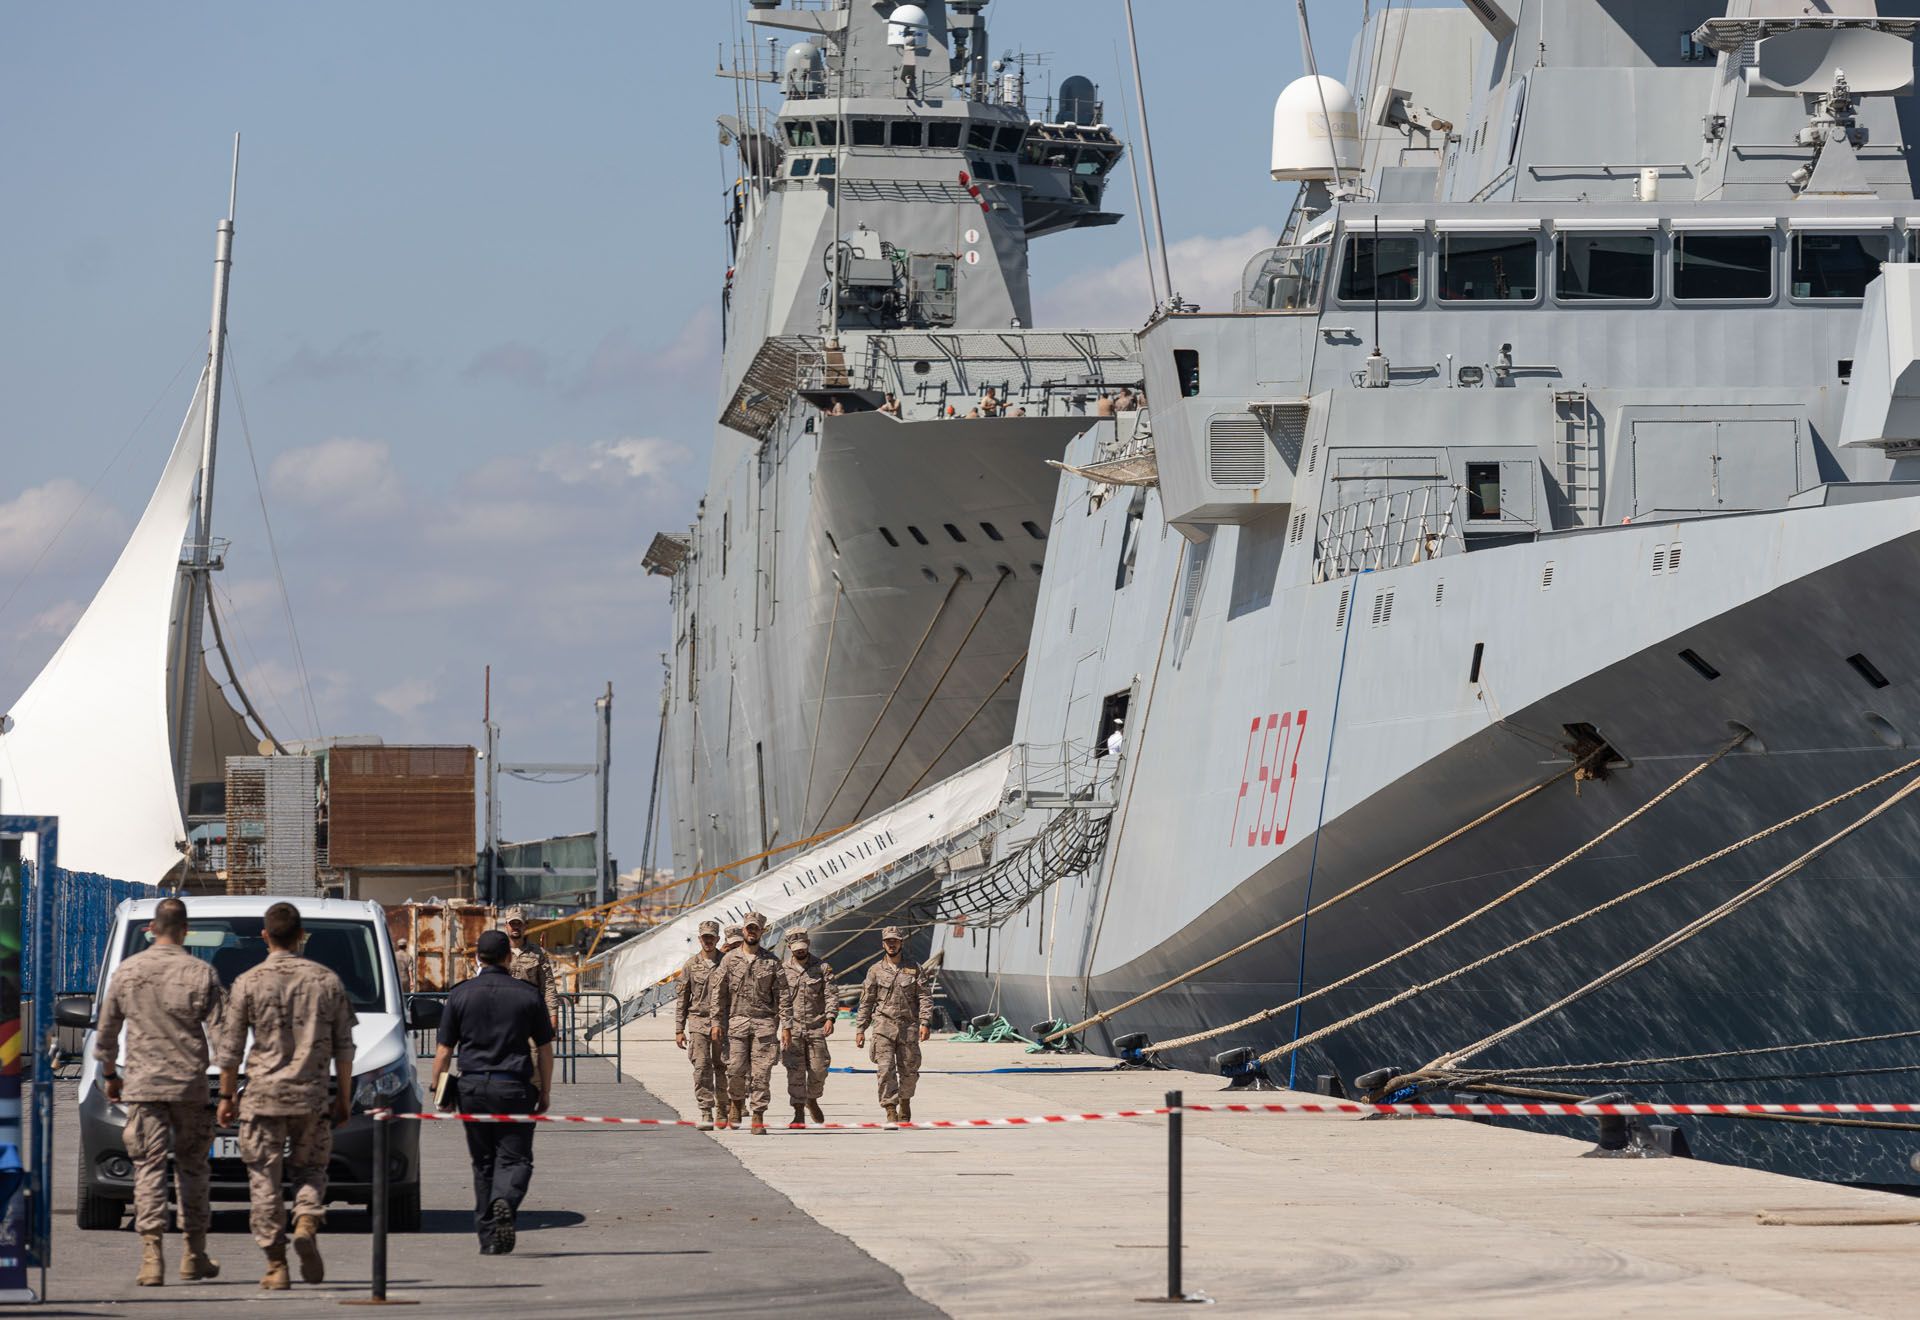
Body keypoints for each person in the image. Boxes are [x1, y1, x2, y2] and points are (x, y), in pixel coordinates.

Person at [216, 903, 356, 1291]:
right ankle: (307, 1220)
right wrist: (343, 1098)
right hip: (310, 1095)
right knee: (311, 1169)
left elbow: (229, 1050)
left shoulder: (247, 982)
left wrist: (227, 1096)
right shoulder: (327, 981)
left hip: (262, 1097)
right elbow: (345, 1048)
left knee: (264, 1179)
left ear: (265, 936)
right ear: (301, 936)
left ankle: (276, 1264)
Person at [94, 897, 226, 1287]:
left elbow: (106, 1033)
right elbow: (224, 1036)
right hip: (190, 1086)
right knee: (193, 1168)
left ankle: (152, 1258)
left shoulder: (128, 972)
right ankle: (193, 1252)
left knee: (148, 1168)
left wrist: (110, 1075)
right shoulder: (201, 973)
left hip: (144, 1086)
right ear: (186, 931)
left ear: (152, 929)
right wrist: (231, 1086)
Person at [431, 929, 554, 1255]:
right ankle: (506, 1200)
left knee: (483, 1163)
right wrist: (545, 1091)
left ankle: (488, 1237)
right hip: (514, 1087)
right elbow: (544, 1049)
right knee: (516, 1159)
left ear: (476, 958)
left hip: (471, 1088)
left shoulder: (460, 995)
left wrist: (438, 1090)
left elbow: (443, 1051)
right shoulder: (528, 995)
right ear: (508, 957)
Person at [714, 911, 790, 1134]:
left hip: (764, 1025)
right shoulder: (729, 959)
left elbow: (783, 995)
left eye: (755, 928)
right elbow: (718, 993)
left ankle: (758, 1115)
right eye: (749, 928)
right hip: (737, 1024)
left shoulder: (772, 962)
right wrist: (716, 1022)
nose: (751, 931)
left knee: (761, 1074)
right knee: (735, 1069)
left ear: (761, 931)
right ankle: (736, 1103)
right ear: (744, 930)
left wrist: (786, 1026)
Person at [854, 926, 933, 1128]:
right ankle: (890, 1108)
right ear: (883, 944)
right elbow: (867, 1001)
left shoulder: (914, 968)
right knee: (885, 1069)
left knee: (909, 1070)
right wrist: (860, 1028)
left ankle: (904, 1103)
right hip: (883, 1026)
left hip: (908, 1027)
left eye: (895, 941)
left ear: (901, 943)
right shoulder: (875, 970)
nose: (892, 944)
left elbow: (924, 996)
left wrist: (925, 1022)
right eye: (888, 941)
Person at [674, 919, 727, 1130]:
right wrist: (679, 1029)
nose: (708, 941)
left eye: (711, 938)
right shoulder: (690, 965)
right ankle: (706, 1111)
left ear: (717, 939)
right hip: (698, 1022)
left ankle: (723, 1107)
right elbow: (682, 999)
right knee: (702, 1067)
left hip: (723, 1023)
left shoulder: (727, 962)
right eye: (704, 938)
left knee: (724, 1066)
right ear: (699, 939)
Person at [779, 929, 835, 1129]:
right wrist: (782, 1026)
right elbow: (779, 1000)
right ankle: (798, 1111)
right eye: (796, 949)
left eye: (803, 948)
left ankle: (812, 1098)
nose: (800, 952)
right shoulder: (782, 970)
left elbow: (831, 995)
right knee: (795, 1072)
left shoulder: (822, 967)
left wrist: (831, 1017)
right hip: (792, 1029)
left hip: (816, 1026)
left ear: (808, 944)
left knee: (819, 1069)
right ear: (789, 948)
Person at [501, 907, 561, 1029]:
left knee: (534, 1048)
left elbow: (548, 985)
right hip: (503, 1017)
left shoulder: (538, 953)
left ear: (526, 926)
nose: (516, 927)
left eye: (519, 923)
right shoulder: (498, 951)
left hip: (530, 1017)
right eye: (512, 923)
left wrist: (553, 1016)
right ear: (506, 926)